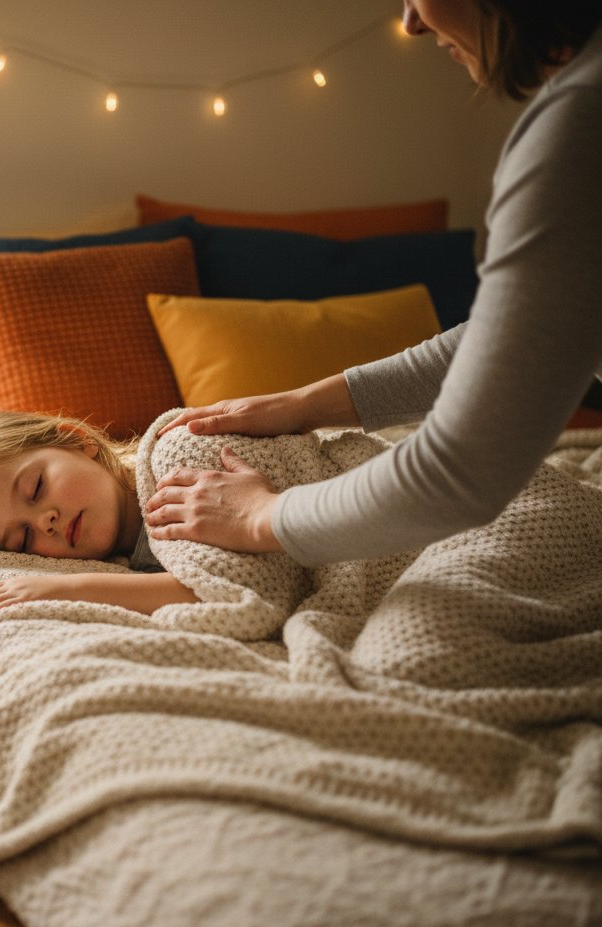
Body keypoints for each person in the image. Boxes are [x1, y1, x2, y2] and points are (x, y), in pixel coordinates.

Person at [145, 0, 602, 567]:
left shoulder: (577, 129)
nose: (410, 22)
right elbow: (513, 339)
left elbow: (462, 471)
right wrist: (303, 405)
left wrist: (263, 515)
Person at [0, 410, 198, 626]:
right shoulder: (140, 563)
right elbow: (202, 588)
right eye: (23, 539)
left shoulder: (177, 458)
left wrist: (66, 588)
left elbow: (209, 586)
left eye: (36, 488)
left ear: (78, 440)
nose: (45, 522)